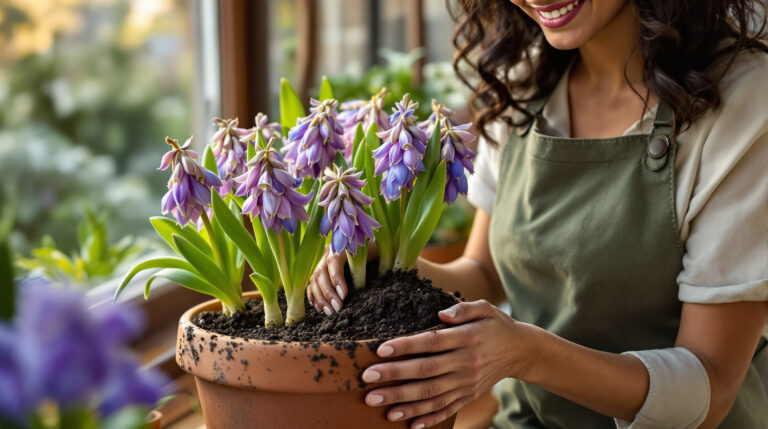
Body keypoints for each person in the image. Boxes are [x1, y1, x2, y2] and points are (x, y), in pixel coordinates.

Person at [307, 0, 768, 427]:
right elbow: (484, 273)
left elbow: (712, 385)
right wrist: (382, 265)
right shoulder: (522, 86)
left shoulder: (741, 100)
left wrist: (525, 355)